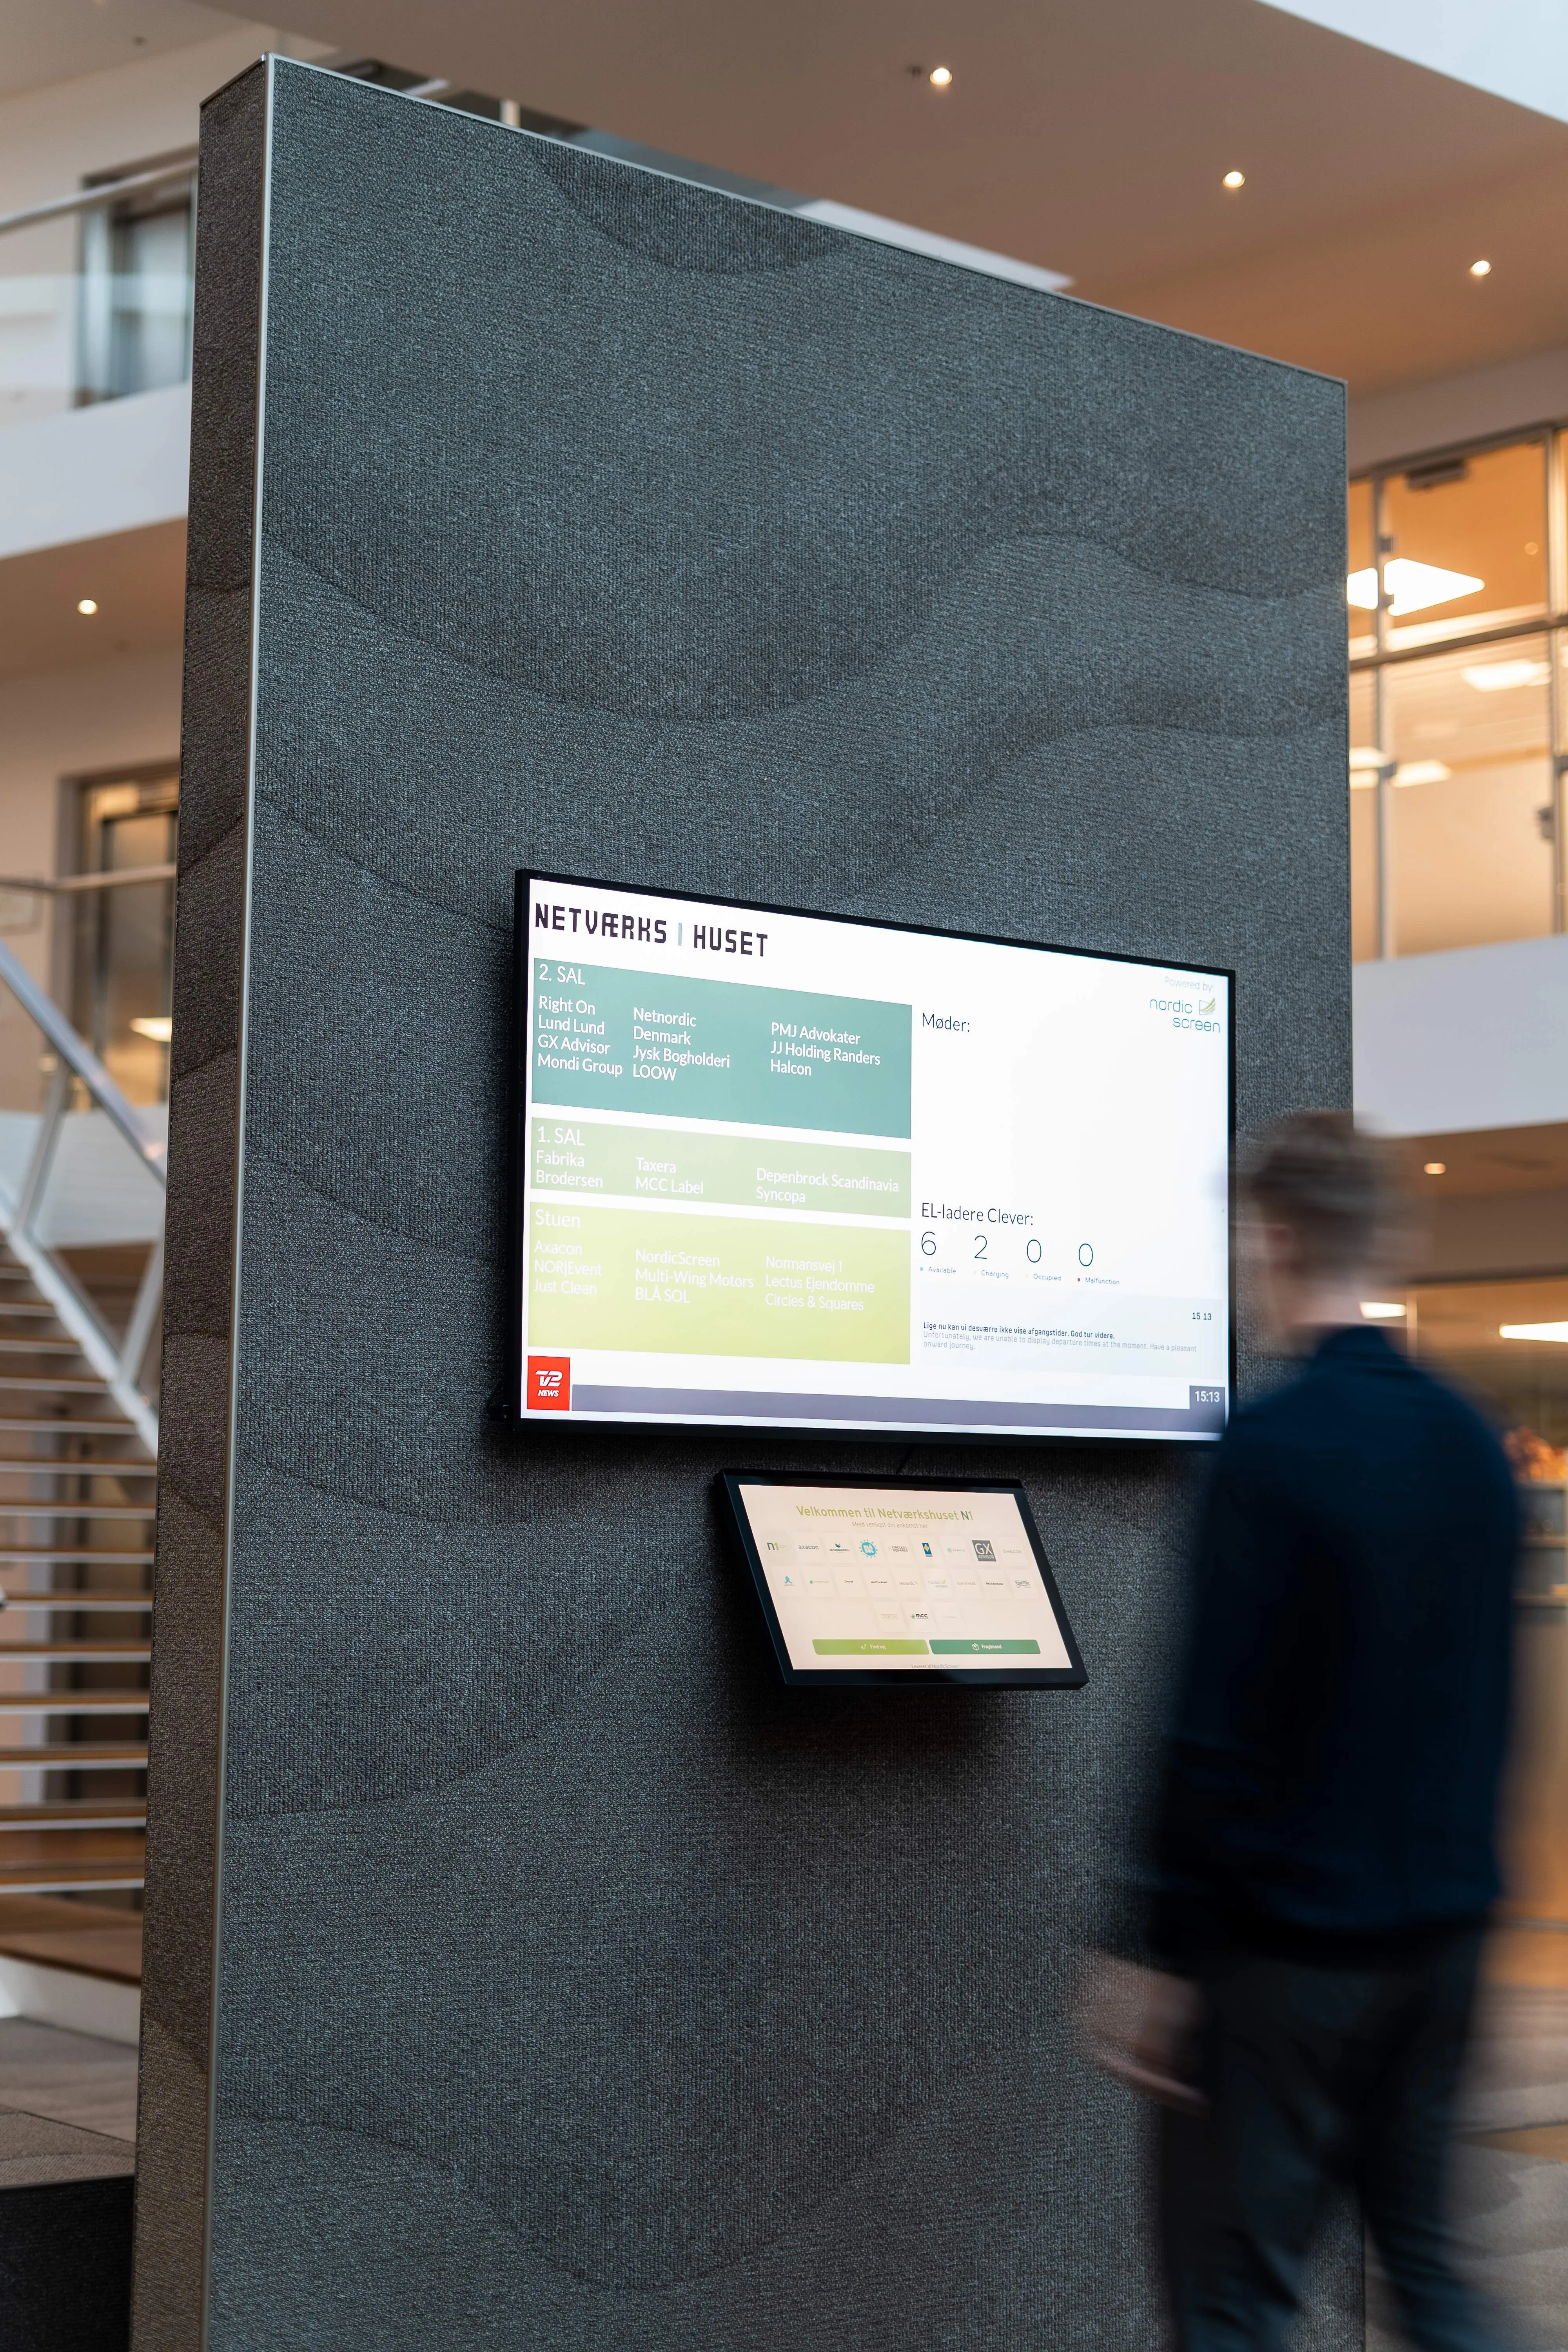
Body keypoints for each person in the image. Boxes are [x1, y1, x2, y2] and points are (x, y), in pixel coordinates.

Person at [1078, 1111, 1518, 2352]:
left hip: (1282, 1961)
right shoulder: (1472, 1444)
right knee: (1433, 2283)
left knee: (1234, 2307)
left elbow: (1211, 1728)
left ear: (1272, 1240)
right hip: (1444, 1946)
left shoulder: (1268, 1451)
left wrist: (1152, 1950)